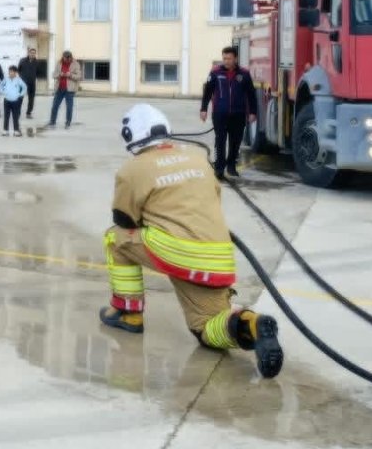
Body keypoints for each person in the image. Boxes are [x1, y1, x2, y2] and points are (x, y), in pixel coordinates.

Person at [101, 104, 283, 379]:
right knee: (206, 328)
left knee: (115, 239)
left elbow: (124, 220)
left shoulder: (132, 169)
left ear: (130, 135)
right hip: (217, 255)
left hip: (176, 250)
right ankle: (249, 324)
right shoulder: (198, 158)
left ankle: (128, 314)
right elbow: (214, 199)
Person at [200, 46, 259, 179]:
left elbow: (251, 94)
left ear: (235, 58)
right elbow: (207, 91)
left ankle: (231, 167)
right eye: (224, 58)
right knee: (220, 141)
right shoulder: (215, 72)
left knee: (235, 142)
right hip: (220, 114)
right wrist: (203, 109)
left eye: (229, 58)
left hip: (238, 114)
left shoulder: (244, 74)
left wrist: (253, 112)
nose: (226, 61)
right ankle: (219, 168)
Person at [49, 50, 82, 129]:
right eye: (65, 58)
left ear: (71, 57)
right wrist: (59, 75)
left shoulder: (76, 64)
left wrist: (70, 75)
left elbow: (79, 77)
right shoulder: (59, 63)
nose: (67, 60)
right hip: (59, 88)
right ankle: (52, 121)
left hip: (69, 90)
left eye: (68, 58)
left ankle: (68, 122)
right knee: (55, 106)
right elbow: (54, 75)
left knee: (69, 107)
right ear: (63, 57)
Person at [0, 65, 28, 136]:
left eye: (12, 72)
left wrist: (20, 95)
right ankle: (5, 130)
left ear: (16, 73)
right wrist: (3, 92)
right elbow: (0, 86)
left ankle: (16, 130)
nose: (11, 73)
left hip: (15, 101)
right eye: (10, 72)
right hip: (7, 100)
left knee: (15, 116)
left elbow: (24, 87)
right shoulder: (6, 79)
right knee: (6, 116)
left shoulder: (18, 80)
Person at [19, 48, 41, 119]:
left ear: (35, 54)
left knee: (31, 99)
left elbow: (38, 72)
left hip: (32, 83)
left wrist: (36, 79)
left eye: (34, 53)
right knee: (20, 97)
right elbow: (18, 70)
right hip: (23, 83)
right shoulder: (22, 61)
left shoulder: (37, 62)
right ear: (28, 53)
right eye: (31, 53)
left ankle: (28, 113)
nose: (32, 54)